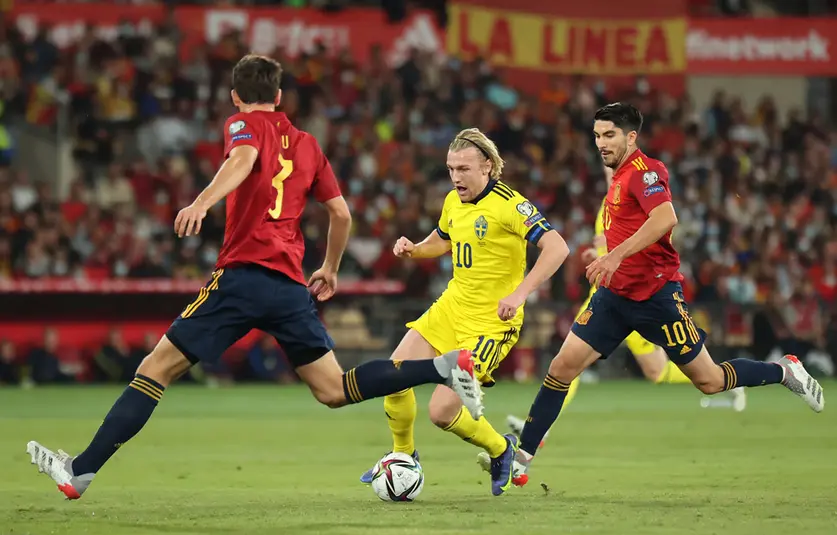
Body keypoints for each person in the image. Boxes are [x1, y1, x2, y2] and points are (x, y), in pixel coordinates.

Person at [25, 54, 483, 500]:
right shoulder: (307, 143)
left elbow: (242, 160)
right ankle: (442, 367)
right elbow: (340, 214)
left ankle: (81, 471)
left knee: (155, 370)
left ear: (235, 97)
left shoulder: (242, 124)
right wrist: (330, 267)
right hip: (288, 285)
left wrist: (202, 202)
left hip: (243, 275)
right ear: (280, 95)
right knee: (334, 389)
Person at [509, 102, 824, 484]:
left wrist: (612, 257)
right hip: (613, 297)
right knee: (561, 368)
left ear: (631, 137)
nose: (601, 143)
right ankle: (521, 456)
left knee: (709, 380)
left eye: (609, 135)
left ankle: (784, 371)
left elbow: (665, 218)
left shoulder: (646, 171)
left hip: (657, 297)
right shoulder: (617, 181)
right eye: (596, 136)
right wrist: (605, 255)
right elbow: (626, 229)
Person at [358, 128, 569, 496]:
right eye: (451, 168)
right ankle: (403, 456)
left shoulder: (510, 204)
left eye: (464, 168)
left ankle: (502, 450)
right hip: (451, 309)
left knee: (441, 413)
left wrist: (519, 295)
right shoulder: (452, 201)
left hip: (490, 324)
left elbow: (557, 248)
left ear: (487, 166)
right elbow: (441, 240)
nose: (456, 177)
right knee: (393, 378)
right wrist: (414, 249)